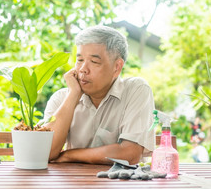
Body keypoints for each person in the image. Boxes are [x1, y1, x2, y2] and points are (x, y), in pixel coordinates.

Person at [43, 26, 155, 165]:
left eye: (94, 62)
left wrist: (69, 155)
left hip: (123, 183)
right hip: (75, 182)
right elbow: (45, 152)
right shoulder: (61, 98)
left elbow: (130, 154)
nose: (83, 69)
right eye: (79, 60)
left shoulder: (136, 90)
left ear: (117, 67)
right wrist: (73, 95)